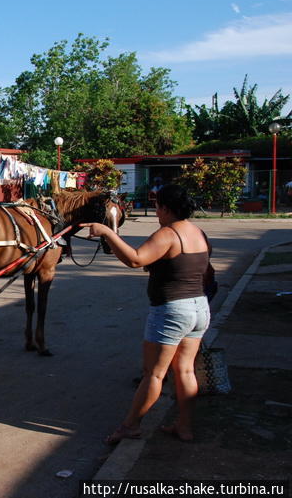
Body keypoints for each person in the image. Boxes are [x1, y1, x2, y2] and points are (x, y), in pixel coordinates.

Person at [81, 184, 210, 444]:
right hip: (199, 307)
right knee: (185, 371)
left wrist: (107, 231)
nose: (156, 212)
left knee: (154, 374)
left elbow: (135, 259)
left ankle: (130, 426)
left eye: (157, 207)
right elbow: (195, 268)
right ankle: (184, 426)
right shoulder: (198, 233)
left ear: (165, 208)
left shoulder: (168, 234)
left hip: (172, 310)